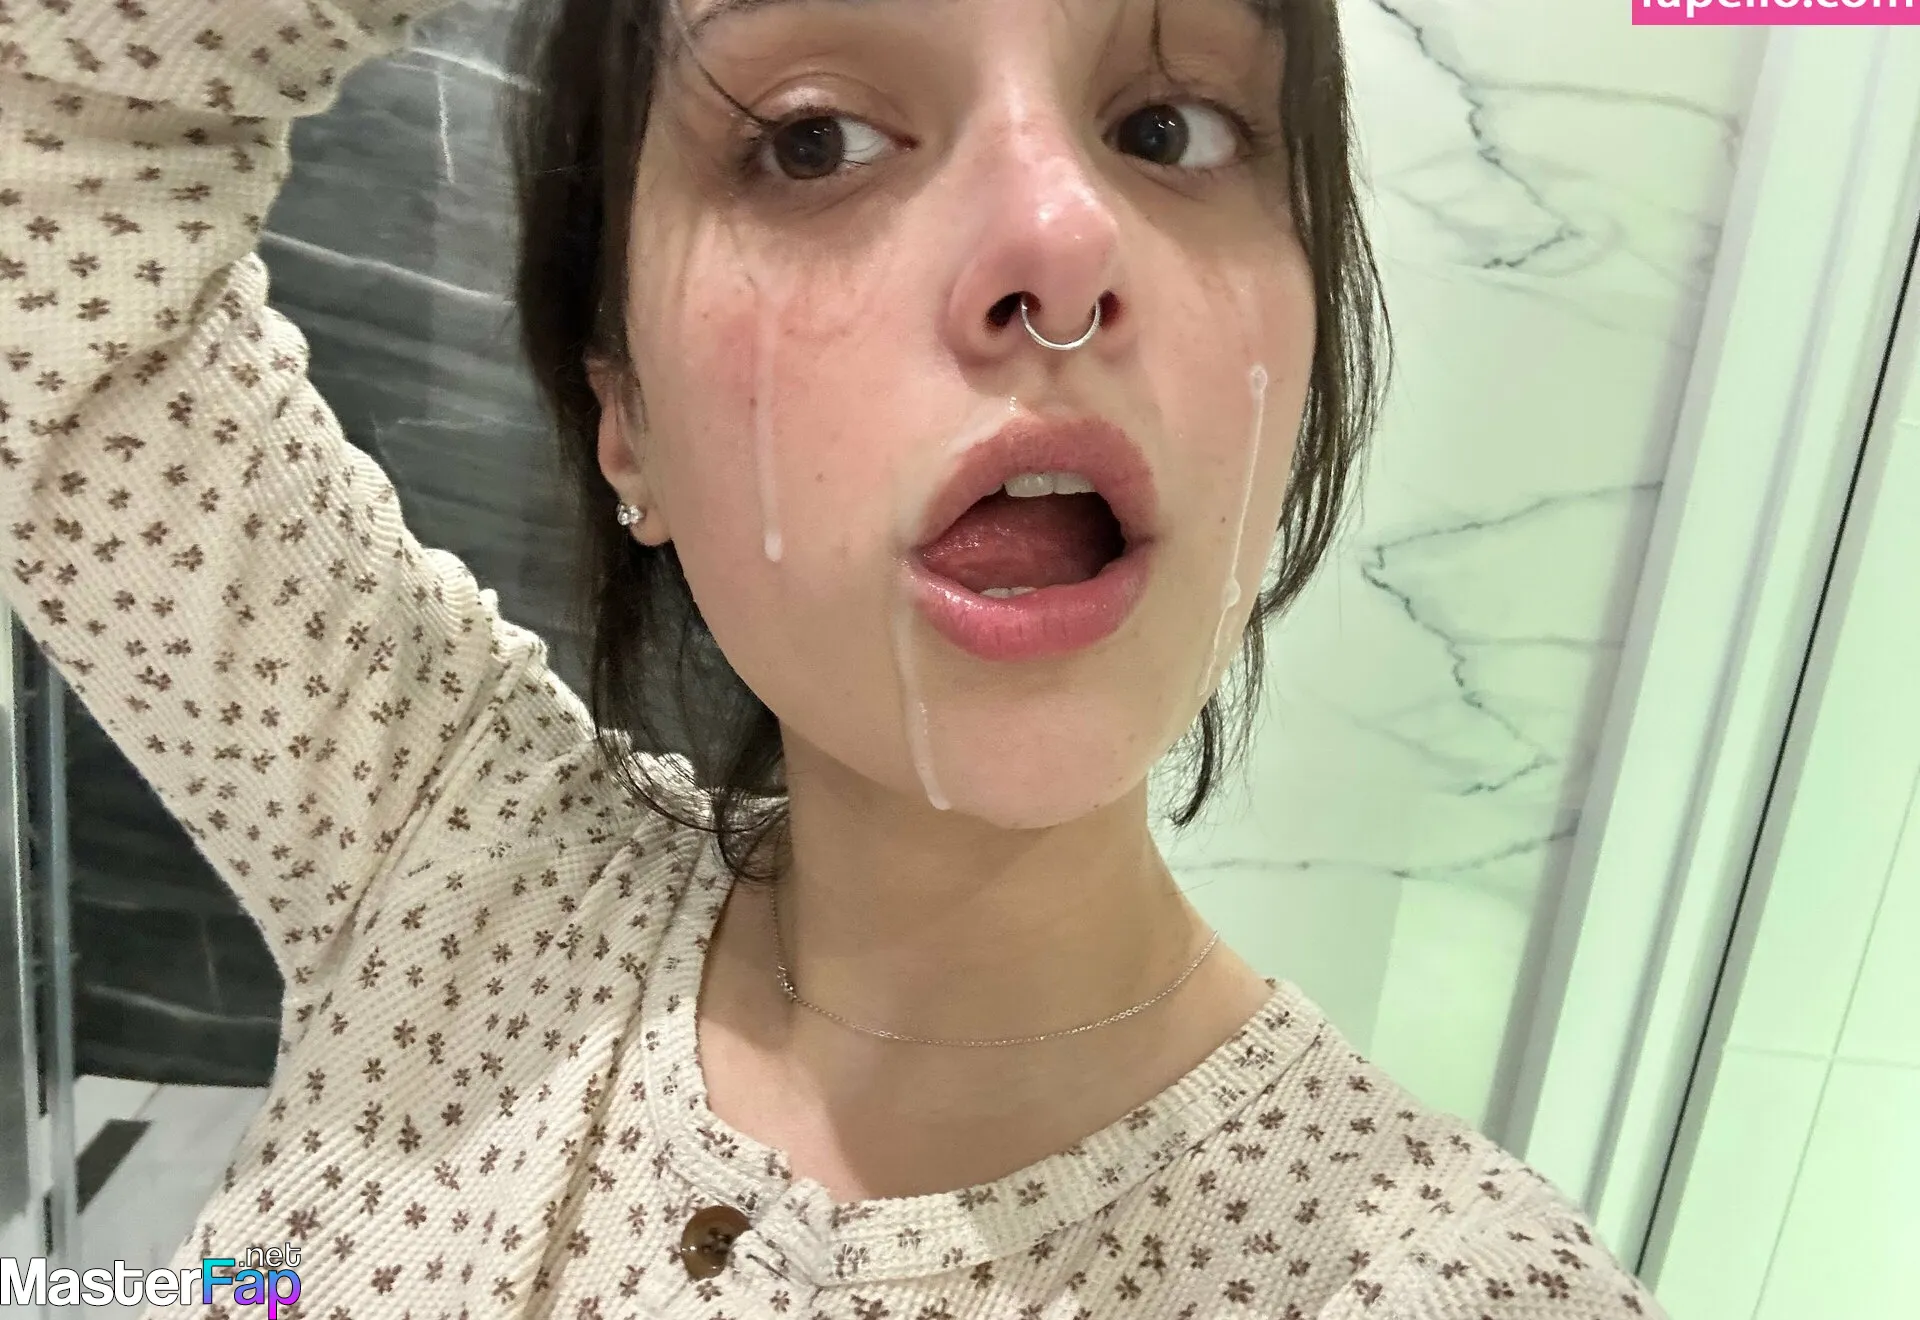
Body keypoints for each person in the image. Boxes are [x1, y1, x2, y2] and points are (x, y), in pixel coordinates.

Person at [0, 0, 1667, 1315]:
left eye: (1169, 128)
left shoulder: (1452, 1289)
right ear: (628, 423)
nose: (1059, 242)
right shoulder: (444, 859)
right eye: (814, 142)